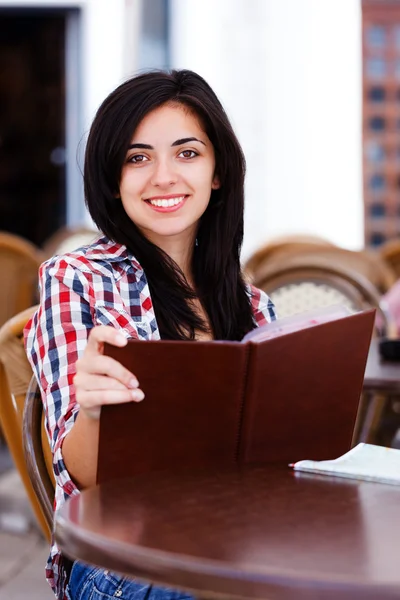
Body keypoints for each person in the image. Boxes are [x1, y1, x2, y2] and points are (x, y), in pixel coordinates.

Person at [24, 69, 276, 600]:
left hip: (241, 540)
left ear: (217, 172)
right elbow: (85, 475)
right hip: (124, 557)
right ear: (113, 179)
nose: (163, 176)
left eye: (187, 153)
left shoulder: (254, 306)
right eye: (137, 158)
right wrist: (93, 411)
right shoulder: (76, 281)